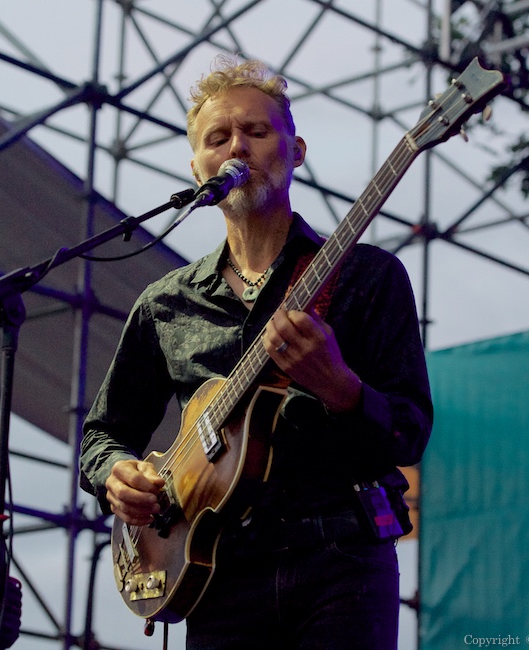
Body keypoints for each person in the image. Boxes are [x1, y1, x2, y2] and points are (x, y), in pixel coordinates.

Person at [80, 54, 433, 649]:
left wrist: (339, 386)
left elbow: (409, 434)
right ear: (198, 170)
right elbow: (101, 434)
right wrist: (115, 475)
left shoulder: (368, 276)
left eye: (257, 131)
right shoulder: (165, 303)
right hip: (217, 571)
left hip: (340, 561)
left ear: (295, 150)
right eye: (218, 138)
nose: (237, 147)